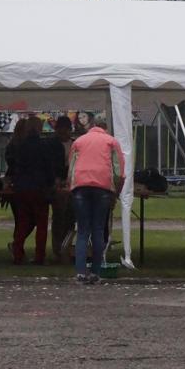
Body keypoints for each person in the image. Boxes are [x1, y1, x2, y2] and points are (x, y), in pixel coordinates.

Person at [68, 117, 125, 284]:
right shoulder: (111, 142)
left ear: (92, 126)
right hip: (102, 188)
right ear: (105, 128)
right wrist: (116, 193)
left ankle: (80, 272)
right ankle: (95, 272)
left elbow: (71, 169)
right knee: (98, 230)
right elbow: (119, 172)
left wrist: (71, 188)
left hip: (80, 187)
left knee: (82, 231)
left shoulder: (79, 141)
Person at [8, 116, 56, 265]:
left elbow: (15, 167)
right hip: (39, 189)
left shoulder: (20, 146)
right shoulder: (44, 146)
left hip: (22, 188)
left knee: (23, 222)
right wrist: (51, 184)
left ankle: (17, 253)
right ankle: (39, 256)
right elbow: (49, 168)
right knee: (41, 224)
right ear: (39, 128)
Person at [4, 117, 31, 262]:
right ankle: (17, 246)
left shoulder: (12, 144)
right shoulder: (17, 145)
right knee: (24, 219)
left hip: (16, 184)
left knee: (21, 219)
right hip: (18, 184)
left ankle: (17, 246)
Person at [50, 115, 75, 263]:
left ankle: (66, 248)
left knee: (70, 219)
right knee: (59, 218)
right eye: (60, 130)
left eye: (65, 130)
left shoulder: (75, 144)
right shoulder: (51, 144)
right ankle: (57, 250)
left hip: (71, 185)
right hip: (58, 186)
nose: (63, 133)